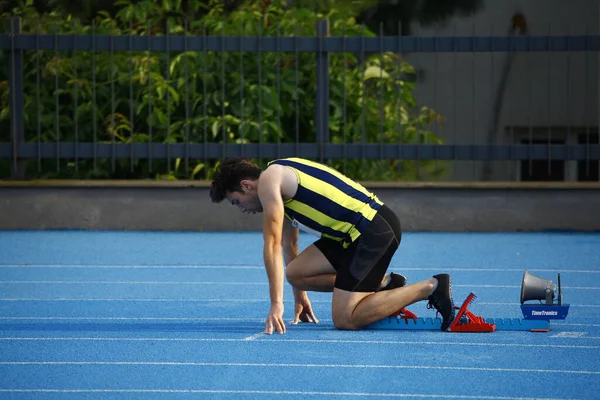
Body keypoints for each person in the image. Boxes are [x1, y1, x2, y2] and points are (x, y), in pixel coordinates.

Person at [209, 157, 456, 334]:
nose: (242, 210)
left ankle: (431, 287)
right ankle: (383, 284)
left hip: (372, 229)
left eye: (236, 202)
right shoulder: (277, 180)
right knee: (295, 273)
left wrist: (276, 304)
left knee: (345, 319)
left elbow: (271, 243)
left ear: (246, 185)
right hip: (349, 236)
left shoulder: (269, 181)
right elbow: (288, 244)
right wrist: (299, 297)